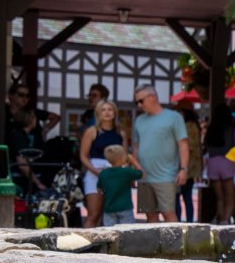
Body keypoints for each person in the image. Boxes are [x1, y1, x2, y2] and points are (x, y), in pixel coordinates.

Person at [131, 84, 189, 223]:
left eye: (141, 101)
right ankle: (155, 245)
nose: (139, 105)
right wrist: (134, 170)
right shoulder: (139, 120)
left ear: (152, 97)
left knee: (168, 213)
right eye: (137, 102)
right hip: (144, 176)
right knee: (150, 214)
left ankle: (176, 245)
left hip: (166, 175)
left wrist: (184, 169)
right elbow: (136, 147)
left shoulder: (174, 117)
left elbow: (183, 144)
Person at [78, 100, 131, 228]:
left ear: (115, 112)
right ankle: (84, 246)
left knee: (109, 215)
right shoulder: (92, 131)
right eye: (103, 109)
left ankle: (105, 246)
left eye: (110, 109)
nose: (106, 112)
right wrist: (96, 171)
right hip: (95, 173)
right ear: (98, 113)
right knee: (93, 215)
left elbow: (125, 157)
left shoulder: (121, 132)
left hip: (115, 175)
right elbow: (83, 156)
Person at [204, 103, 235, 224]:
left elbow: (206, 147)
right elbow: (234, 147)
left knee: (219, 197)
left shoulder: (210, 129)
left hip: (212, 163)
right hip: (227, 162)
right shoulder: (230, 129)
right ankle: (225, 219)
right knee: (230, 196)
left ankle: (218, 217)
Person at [96, 145, 144, 226]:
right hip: (125, 207)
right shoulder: (126, 172)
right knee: (127, 232)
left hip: (109, 208)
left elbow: (99, 189)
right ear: (122, 158)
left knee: (110, 232)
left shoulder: (104, 173)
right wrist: (133, 161)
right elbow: (141, 174)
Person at [176, 101, 204, 222]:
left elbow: (188, 146)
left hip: (185, 165)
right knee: (187, 197)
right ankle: (189, 221)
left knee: (177, 196)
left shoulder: (187, 126)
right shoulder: (195, 125)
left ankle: (179, 221)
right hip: (192, 167)